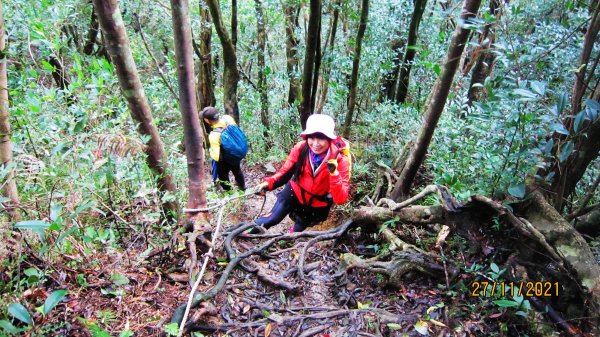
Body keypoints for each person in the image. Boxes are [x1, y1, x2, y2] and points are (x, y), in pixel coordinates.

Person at [252, 114, 350, 233]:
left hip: (317, 202)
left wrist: (334, 173)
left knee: (299, 228)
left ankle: (286, 239)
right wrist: (269, 183)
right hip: (295, 191)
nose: (315, 143)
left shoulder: (340, 160)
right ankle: (243, 234)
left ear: (329, 139)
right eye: (311, 138)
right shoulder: (301, 148)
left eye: (321, 138)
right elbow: (286, 171)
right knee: (271, 219)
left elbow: (340, 199)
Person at [202, 106, 246, 191]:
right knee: (237, 170)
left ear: (207, 120)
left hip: (226, 159)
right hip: (236, 153)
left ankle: (230, 192)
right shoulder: (227, 118)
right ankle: (242, 188)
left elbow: (216, 157)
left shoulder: (214, 135)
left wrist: (211, 151)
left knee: (223, 177)